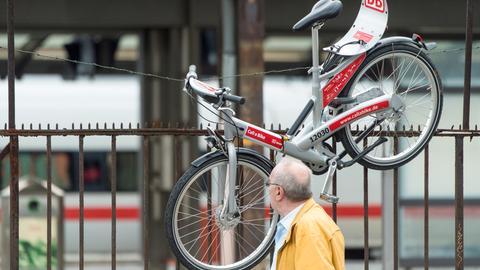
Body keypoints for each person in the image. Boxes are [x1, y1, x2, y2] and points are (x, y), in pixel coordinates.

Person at [267, 157, 345, 270]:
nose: (268, 189)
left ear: (279, 192)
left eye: (268, 183)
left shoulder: (308, 228)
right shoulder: (305, 222)